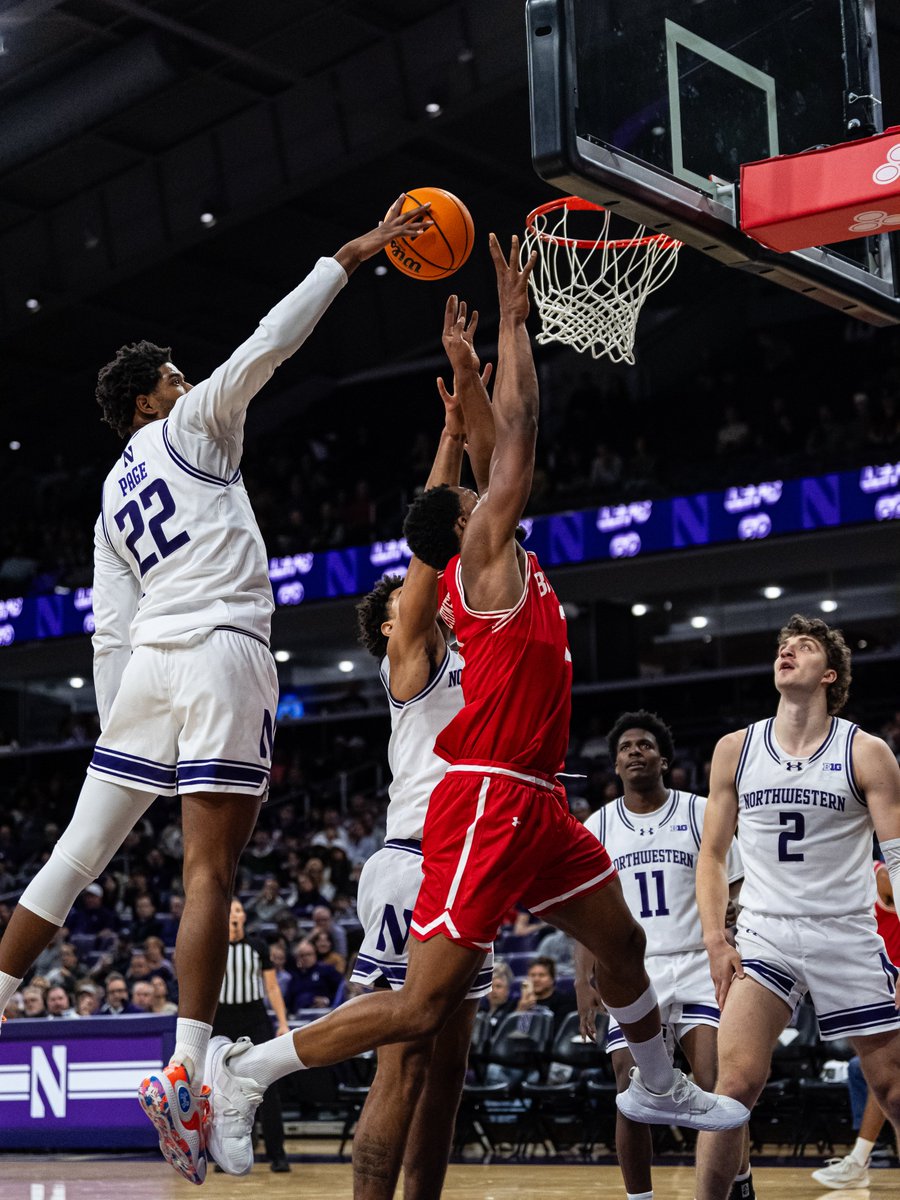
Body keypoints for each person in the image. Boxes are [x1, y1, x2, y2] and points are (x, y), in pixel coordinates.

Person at [202, 235, 748, 1177]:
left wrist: (461, 385)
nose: (486, 493)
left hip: (538, 799)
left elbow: (496, 454)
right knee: (420, 1016)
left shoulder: (506, 560)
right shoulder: (482, 566)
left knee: (621, 942)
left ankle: (655, 1078)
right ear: (464, 530)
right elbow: (520, 441)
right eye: (472, 498)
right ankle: (249, 1068)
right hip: (484, 802)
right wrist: (512, 324)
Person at [0, 196, 433, 1186]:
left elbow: (106, 625)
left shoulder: (112, 490)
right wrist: (350, 256)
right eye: (174, 374)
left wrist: (126, 732)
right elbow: (266, 346)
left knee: (72, 857)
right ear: (155, 393)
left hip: (145, 665)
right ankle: (192, 1068)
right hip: (221, 648)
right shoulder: (193, 420)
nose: (188, 379)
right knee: (209, 877)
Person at [337, 302, 494, 1200]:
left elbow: (448, 541)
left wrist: (458, 419)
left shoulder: (467, 644)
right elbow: (431, 540)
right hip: (415, 862)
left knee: (448, 1069)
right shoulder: (411, 656)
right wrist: (448, 437)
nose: (421, 587)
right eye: (409, 590)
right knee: (402, 1063)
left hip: (468, 861)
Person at [695, 615, 900, 1200]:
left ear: (829, 673)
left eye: (804, 647)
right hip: (766, 936)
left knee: (893, 1087)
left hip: (847, 935)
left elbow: (899, 858)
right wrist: (716, 939)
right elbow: (711, 858)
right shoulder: (735, 749)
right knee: (729, 1090)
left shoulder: (866, 751)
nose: (787, 651)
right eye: (782, 646)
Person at [577, 709, 752, 1200]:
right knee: (630, 1090)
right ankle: (641, 1198)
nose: (635, 751)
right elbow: (583, 911)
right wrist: (582, 982)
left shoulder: (699, 812)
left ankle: (737, 1185)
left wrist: (731, 923)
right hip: (635, 970)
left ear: (664, 758)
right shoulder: (598, 826)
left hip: (699, 961)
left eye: (645, 745)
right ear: (614, 764)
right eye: (626, 747)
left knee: (716, 1081)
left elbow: (733, 879)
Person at [811, 856, 900, 1189]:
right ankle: (858, 1160)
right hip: (877, 990)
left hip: (893, 985)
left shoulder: (880, 876)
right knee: (879, 1075)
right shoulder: (837, 881)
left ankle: (858, 1161)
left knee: (886, 1075)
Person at [212, 898, 291, 1173]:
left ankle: (277, 1153)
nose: (233, 915)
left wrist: (282, 1022)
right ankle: (228, 1154)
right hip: (222, 1018)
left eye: (237, 910)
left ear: (244, 916)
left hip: (255, 1018)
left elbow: (272, 988)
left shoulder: (257, 946)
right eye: (229, 910)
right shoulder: (213, 944)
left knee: (267, 1087)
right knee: (223, 1092)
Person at [516, 956, 575, 1032]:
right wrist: (520, 1010)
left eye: (542, 975)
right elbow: (508, 1033)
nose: (536, 979)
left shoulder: (566, 1001)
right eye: (532, 975)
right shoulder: (520, 1002)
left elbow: (560, 1031)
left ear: (552, 979)